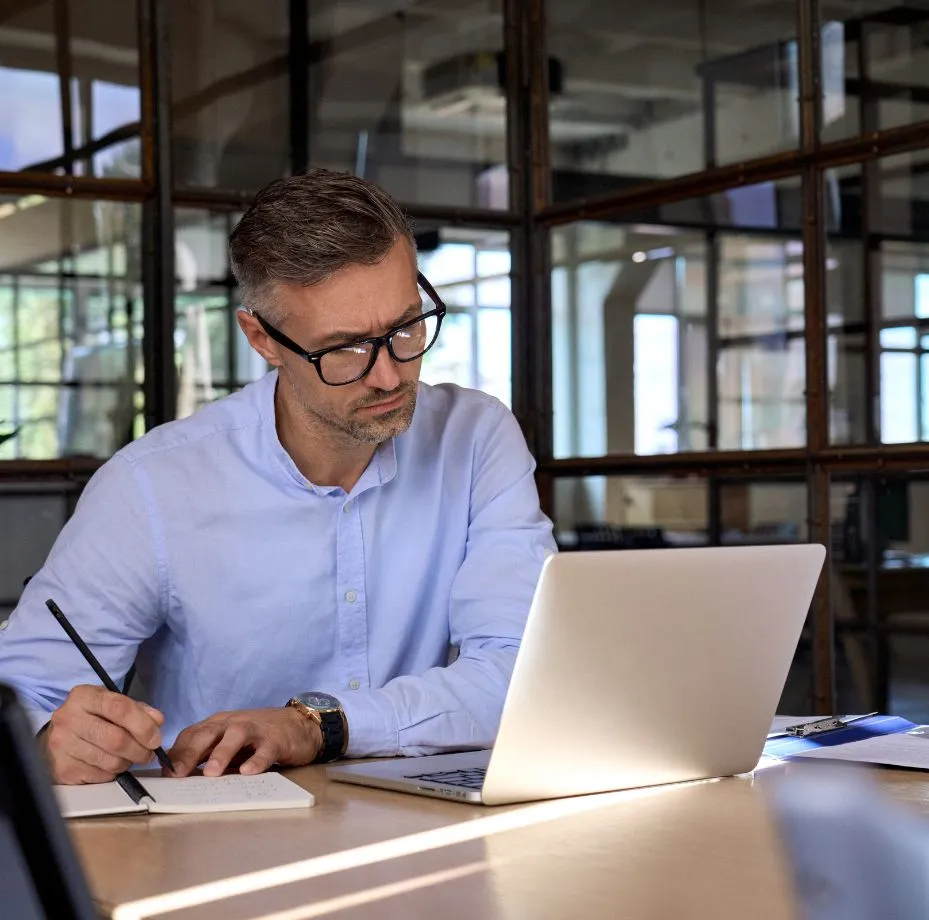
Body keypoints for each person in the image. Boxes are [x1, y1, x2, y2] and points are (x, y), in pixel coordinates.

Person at [0, 169, 555, 785]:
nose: (390, 376)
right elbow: (22, 696)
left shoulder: (474, 437)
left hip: (430, 826)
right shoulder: (152, 488)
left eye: (405, 327)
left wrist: (318, 725)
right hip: (214, 842)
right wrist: (52, 740)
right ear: (262, 339)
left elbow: (523, 672)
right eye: (344, 348)